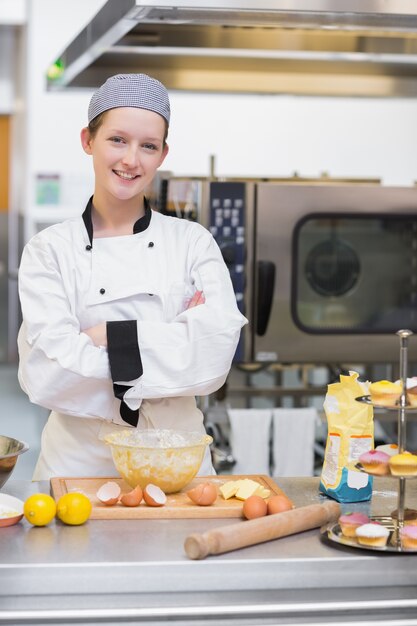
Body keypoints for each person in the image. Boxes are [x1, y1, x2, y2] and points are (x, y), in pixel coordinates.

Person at [17, 73, 247, 479]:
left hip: (179, 461)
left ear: (162, 154)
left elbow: (212, 358)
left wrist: (103, 335)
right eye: (117, 140)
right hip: (78, 466)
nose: (131, 160)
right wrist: (172, 340)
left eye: (148, 146)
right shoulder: (49, 250)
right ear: (88, 140)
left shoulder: (192, 242)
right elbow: (48, 373)